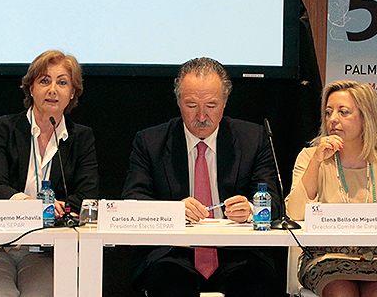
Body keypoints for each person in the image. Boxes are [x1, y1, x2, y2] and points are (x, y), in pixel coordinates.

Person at [120, 57, 281, 297]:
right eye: (192, 105)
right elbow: (133, 202)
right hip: (173, 254)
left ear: (225, 103)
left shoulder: (253, 139)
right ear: (178, 102)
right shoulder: (150, 142)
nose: (202, 115)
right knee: (169, 286)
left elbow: (275, 203)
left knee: (258, 286)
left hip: (238, 254)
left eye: (212, 105)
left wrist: (250, 208)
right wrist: (173, 212)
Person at [0, 50, 99, 297]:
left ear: (73, 92)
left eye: (62, 82)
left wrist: (59, 209)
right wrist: (34, 207)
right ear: (30, 88)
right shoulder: (2, 129)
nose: (53, 89)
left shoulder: (80, 138)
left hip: (48, 251)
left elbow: (87, 195)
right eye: (44, 81)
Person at [285, 80, 377, 297]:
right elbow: (294, 214)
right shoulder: (310, 156)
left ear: (366, 117)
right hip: (325, 256)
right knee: (342, 293)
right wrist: (317, 161)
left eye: (343, 112)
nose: (333, 119)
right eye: (328, 112)